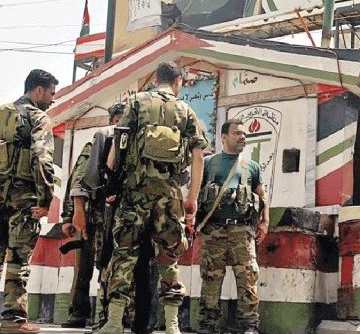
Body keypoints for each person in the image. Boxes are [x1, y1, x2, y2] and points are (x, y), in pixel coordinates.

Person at [96, 62, 207, 334]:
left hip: (135, 193)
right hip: (169, 197)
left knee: (124, 255)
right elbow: (198, 156)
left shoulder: (136, 102)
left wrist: (110, 183)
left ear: (156, 79)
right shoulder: (186, 111)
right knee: (170, 257)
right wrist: (192, 198)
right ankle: (171, 325)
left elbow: (120, 143)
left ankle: (114, 322)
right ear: (178, 81)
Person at [0, 69, 59, 333]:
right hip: (24, 200)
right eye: (51, 94)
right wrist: (45, 200)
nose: (52, 100)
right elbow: (42, 159)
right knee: (18, 258)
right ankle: (13, 320)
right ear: (38, 90)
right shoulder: (38, 118)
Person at [61, 102, 157, 333]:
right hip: (100, 215)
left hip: (128, 214)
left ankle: (120, 317)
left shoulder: (139, 142)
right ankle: (95, 316)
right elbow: (80, 179)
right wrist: (71, 214)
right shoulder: (103, 139)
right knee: (99, 264)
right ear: (115, 120)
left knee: (123, 264)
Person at [196, 119, 269, 334]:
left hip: (242, 231)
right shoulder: (209, 163)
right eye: (237, 133)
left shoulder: (251, 166)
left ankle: (249, 325)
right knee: (211, 277)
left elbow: (262, 196)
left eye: (244, 134)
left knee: (247, 277)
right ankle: (208, 324)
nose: (242, 137)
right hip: (213, 230)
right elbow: (195, 194)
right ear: (224, 137)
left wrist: (265, 222)